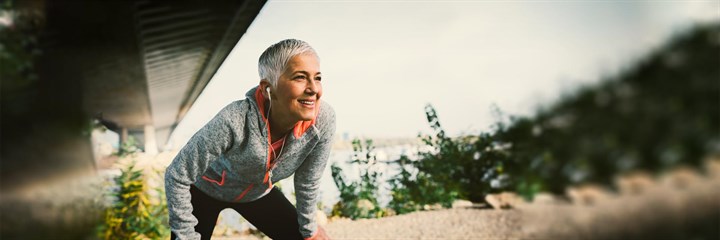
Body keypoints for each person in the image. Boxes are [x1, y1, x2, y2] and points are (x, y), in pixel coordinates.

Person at [165, 39, 334, 240]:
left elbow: (308, 181)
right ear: (267, 89)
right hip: (205, 191)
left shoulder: (322, 120)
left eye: (318, 78)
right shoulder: (234, 119)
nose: (314, 89)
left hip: (257, 194)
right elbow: (177, 174)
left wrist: (310, 230)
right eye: (300, 77)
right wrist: (186, 236)